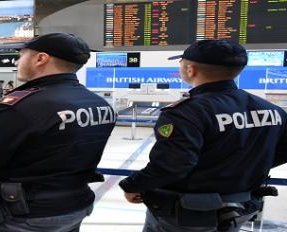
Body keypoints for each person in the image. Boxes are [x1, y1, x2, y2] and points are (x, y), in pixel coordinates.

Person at [119, 40, 287, 232]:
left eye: (181, 62)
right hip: (240, 207)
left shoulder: (184, 112)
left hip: (188, 215)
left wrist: (132, 185)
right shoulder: (272, 110)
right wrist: (243, 166)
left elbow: (173, 164)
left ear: (190, 70)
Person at [0, 33, 117, 232]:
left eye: (21, 56)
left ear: (40, 58)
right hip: (76, 204)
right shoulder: (98, 104)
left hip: (25, 214)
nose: (17, 62)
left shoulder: (20, 106)